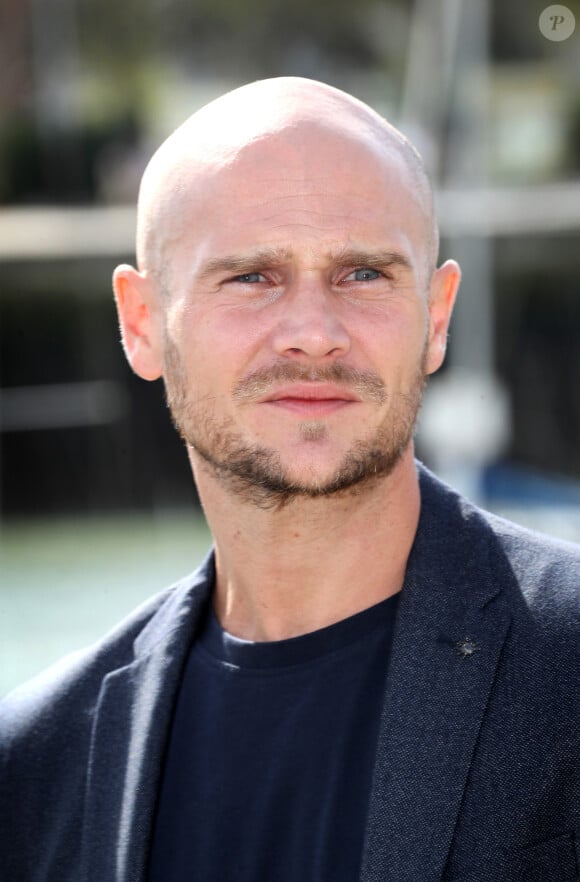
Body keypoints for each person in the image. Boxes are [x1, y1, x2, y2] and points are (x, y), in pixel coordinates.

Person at [1, 76, 579, 882]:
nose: (313, 333)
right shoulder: (33, 765)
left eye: (363, 274)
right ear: (142, 324)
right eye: (252, 277)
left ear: (437, 316)